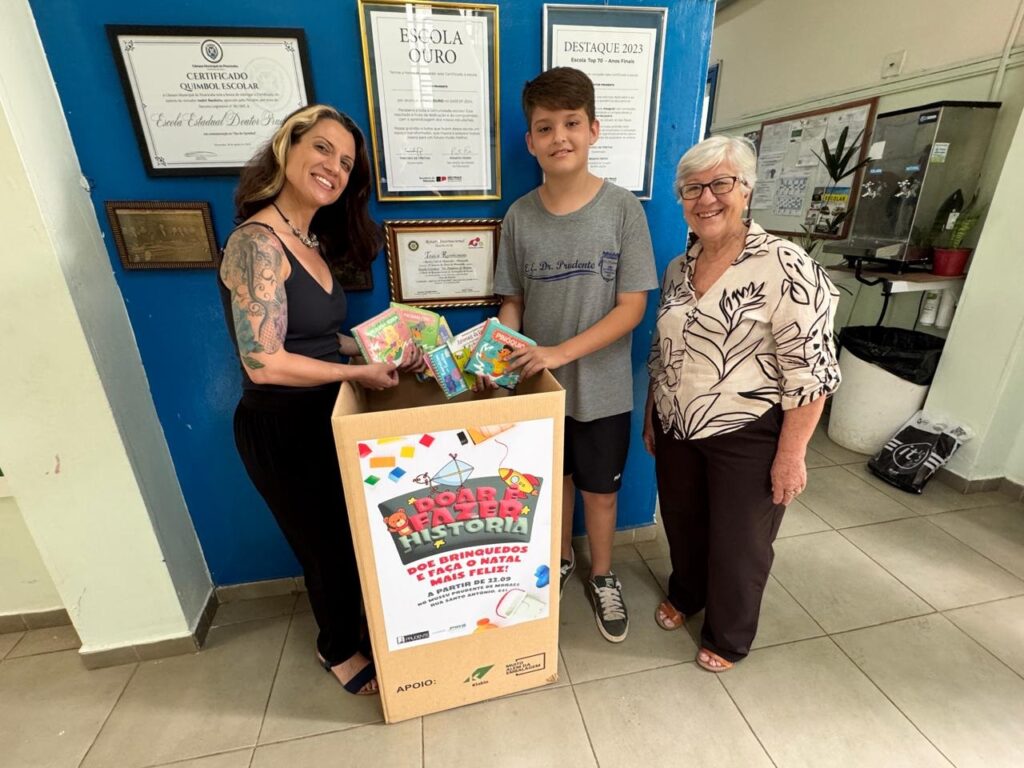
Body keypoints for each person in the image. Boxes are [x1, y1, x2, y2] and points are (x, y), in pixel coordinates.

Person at [218, 104, 422, 694]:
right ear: (288, 147)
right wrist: (355, 373)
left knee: (349, 536)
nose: (334, 166)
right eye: (323, 149)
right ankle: (337, 650)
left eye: (347, 161)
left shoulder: (306, 239)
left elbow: (310, 337)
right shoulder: (256, 242)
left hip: (325, 416)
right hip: (281, 427)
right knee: (326, 546)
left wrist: (371, 347)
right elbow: (264, 360)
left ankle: (356, 629)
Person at [644, 135, 841, 672]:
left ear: (747, 190)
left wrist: (791, 454)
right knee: (683, 524)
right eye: (692, 189)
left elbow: (813, 372)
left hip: (750, 430)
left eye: (720, 184)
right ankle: (687, 594)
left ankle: (728, 635)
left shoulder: (787, 266)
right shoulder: (678, 268)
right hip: (676, 424)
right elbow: (664, 351)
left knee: (739, 543)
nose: (706, 198)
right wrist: (651, 416)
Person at [493, 68, 658, 643]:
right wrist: (505, 350)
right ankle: (561, 558)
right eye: (545, 127)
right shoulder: (518, 216)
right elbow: (511, 301)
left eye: (570, 123)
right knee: (553, 482)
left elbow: (632, 308)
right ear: (529, 141)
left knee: (600, 490)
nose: (558, 136)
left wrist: (559, 350)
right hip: (539, 388)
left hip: (605, 388)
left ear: (593, 129)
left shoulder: (621, 209)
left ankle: (604, 574)